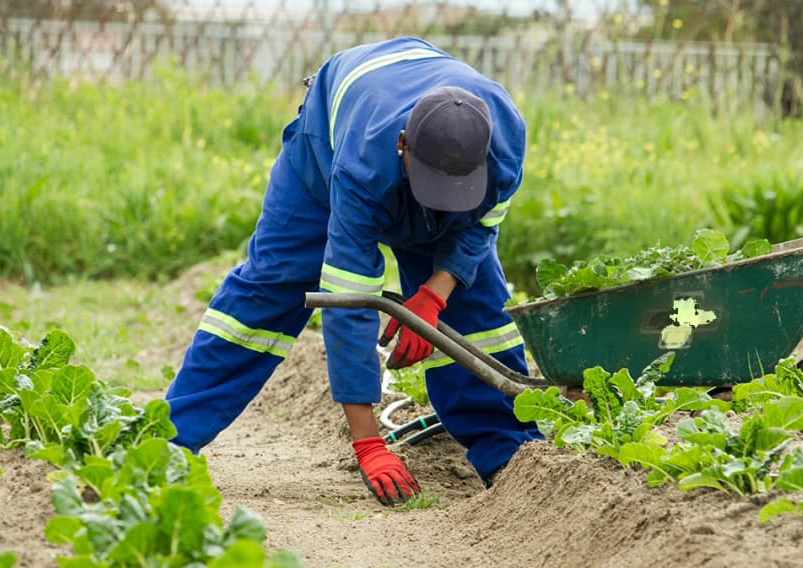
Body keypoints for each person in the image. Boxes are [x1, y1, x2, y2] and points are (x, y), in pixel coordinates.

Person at [164, 36, 542, 505]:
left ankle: (511, 454)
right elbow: (350, 304)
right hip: (326, 149)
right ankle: (169, 441)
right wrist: (367, 442)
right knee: (270, 289)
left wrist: (435, 295)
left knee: (474, 310)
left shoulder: (504, 143)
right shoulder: (364, 165)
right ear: (403, 146)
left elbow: (480, 227)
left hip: (425, 138)